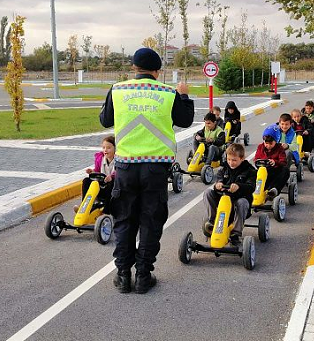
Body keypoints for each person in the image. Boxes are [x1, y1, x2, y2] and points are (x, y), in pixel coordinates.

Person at [100, 47, 194, 294]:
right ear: (157, 71)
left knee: (124, 220)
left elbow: (105, 121)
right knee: (150, 221)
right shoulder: (168, 93)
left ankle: (122, 276)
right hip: (155, 168)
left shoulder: (118, 90)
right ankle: (143, 276)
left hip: (125, 167)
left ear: (134, 68)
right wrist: (184, 96)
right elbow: (185, 121)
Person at [202, 143, 256, 246]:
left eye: (234, 160)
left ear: (242, 158)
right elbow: (219, 179)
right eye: (229, 159)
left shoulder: (250, 171)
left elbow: (251, 187)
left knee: (242, 202)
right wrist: (218, 185)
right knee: (208, 193)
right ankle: (213, 222)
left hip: (238, 203)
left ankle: (236, 233)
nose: (231, 163)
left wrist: (239, 186)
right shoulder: (224, 169)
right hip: (224, 201)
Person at [75, 135, 116, 213]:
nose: (105, 150)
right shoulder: (100, 159)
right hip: (101, 186)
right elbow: (97, 171)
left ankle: (106, 210)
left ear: (115, 148)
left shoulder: (118, 160)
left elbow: (119, 172)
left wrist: (111, 177)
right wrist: (92, 171)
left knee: (112, 182)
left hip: (112, 188)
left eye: (108, 148)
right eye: (104, 148)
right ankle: (84, 207)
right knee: (86, 180)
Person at [254, 127, 289, 197]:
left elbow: (283, 162)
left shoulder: (279, 148)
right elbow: (256, 159)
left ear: (276, 141)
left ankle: (274, 189)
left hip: (275, 170)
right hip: (263, 170)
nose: (268, 146)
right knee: (251, 172)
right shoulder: (260, 147)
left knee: (285, 170)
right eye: (266, 143)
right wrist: (259, 162)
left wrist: (275, 162)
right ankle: (254, 190)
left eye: (271, 143)